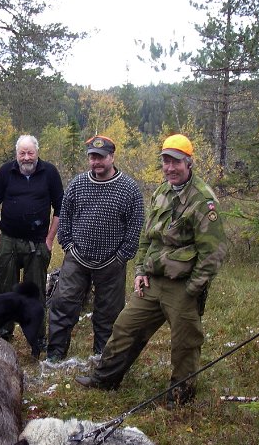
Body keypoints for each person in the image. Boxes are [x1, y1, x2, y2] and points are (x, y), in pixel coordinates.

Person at [75, 134, 228, 407]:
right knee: (124, 327)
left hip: (182, 285)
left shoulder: (203, 200)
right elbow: (147, 237)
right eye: (166, 162)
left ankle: (180, 396)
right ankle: (105, 378)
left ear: (189, 163)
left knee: (185, 343)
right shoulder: (161, 192)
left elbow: (213, 253)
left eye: (176, 162)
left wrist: (193, 289)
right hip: (153, 280)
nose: (170, 168)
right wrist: (140, 270)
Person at [47, 135, 144, 361]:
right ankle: (54, 357)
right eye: (92, 157)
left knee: (108, 314)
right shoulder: (78, 184)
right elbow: (65, 216)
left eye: (101, 157)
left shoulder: (129, 188)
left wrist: (121, 257)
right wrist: (68, 245)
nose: (96, 162)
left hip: (112, 262)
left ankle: (102, 358)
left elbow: (135, 225)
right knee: (62, 306)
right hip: (77, 258)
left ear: (112, 157)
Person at [0, 134, 63, 347]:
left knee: (34, 293)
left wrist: (49, 239)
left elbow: (60, 208)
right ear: (16, 154)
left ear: (37, 152)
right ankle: (2, 335)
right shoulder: (6, 171)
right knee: (5, 291)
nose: (27, 157)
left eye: (30, 153)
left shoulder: (50, 173)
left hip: (38, 243)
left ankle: (37, 338)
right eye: (22, 153)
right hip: (8, 241)